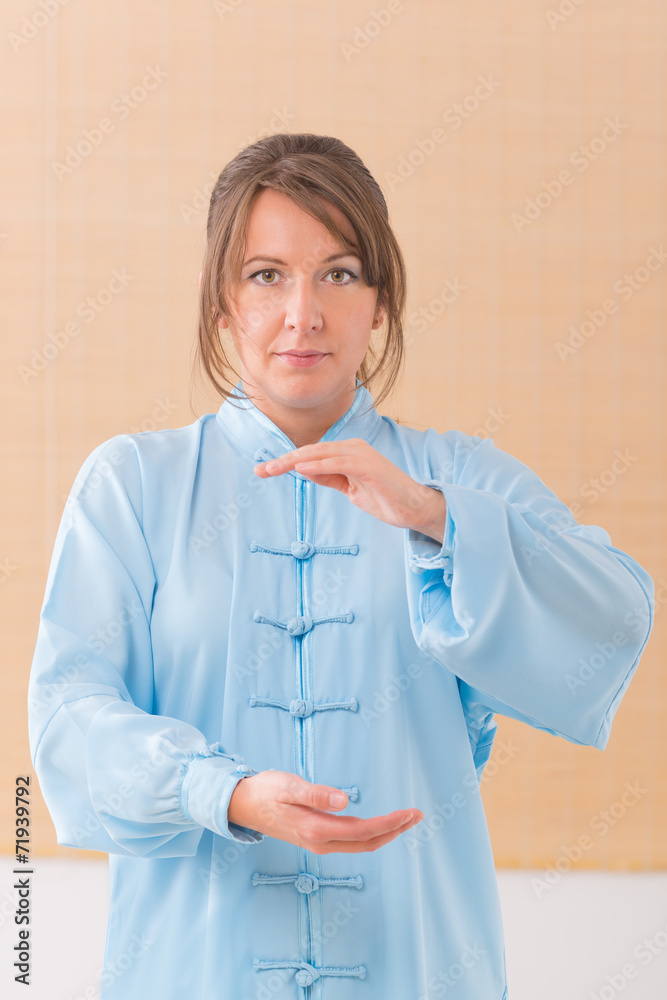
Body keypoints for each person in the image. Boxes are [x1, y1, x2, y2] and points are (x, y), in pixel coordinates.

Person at [28, 132, 654, 1000]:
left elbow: (615, 617)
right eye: (265, 275)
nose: (303, 315)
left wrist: (433, 518)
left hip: (419, 970)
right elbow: (66, 719)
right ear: (221, 304)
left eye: (339, 273)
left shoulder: (457, 475)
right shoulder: (134, 487)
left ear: (380, 304)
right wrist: (225, 792)